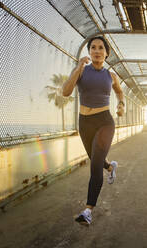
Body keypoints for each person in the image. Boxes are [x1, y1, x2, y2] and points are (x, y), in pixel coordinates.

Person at [62, 36, 124, 226]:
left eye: (101, 48)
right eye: (93, 48)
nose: (97, 51)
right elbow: (65, 91)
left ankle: (88, 210)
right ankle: (111, 167)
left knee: (95, 165)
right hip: (85, 122)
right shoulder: (80, 71)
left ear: (106, 53)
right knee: (95, 158)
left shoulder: (111, 76)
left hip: (105, 121)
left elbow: (119, 91)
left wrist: (121, 104)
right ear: (89, 52)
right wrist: (79, 67)